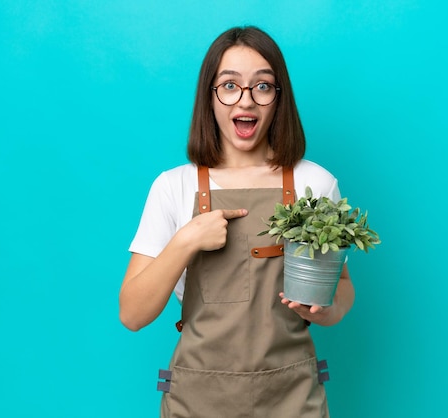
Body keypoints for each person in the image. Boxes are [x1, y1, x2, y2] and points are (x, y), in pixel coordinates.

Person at [119, 26, 355, 417]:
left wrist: (327, 311)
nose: (245, 100)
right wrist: (186, 240)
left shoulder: (315, 183)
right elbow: (132, 314)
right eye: (229, 85)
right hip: (196, 401)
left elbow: (342, 287)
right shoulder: (172, 187)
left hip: (292, 399)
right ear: (209, 97)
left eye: (262, 86)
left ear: (279, 99)